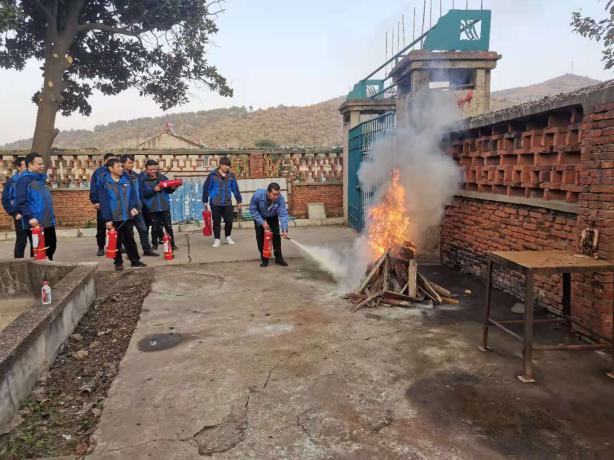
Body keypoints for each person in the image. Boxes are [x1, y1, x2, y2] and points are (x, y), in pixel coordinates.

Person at [98, 158, 147, 270]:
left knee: (130, 239)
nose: (121, 168)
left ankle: (135, 260)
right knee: (116, 241)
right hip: (114, 217)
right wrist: (107, 219)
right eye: (118, 167)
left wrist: (133, 207)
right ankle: (118, 262)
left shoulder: (126, 180)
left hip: (127, 216)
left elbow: (133, 196)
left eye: (121, 166)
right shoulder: (104, 182)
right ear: (111, 168)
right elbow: (104, 202)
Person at [15, 152, 57, 260]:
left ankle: (47, 268)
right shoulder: (24, 180)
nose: (42, 166)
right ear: (30, 165)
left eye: (42, 164)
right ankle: (38, 270)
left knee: (51, 246)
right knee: (39, 251)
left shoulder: (40, 179)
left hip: (48, 220)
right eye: (39, 164)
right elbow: (21, 202)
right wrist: (29, 217)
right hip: (36, 222)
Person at [120, 154, 158, 257]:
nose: (131, 165)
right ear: (123, 163)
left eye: (132, 163)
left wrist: (141, 203)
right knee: (128, 233)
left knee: (143, 229)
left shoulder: (136, 176)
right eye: (129, 163)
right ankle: (130, 253)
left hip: (137, 207)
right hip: (126, 209)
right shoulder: (120, 176)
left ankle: (147, 250)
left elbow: (141, 191)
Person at [202, 156, 243, 248]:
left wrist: (239, 200)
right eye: (225, 165)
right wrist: (205, 200)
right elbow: (206, 188)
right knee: (216, 222)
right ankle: (217, 240)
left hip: (227, 203)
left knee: (229, 221)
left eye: (228, 165)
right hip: (215, 203)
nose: (227, 167)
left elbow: (235, 189)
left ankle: (228, 237)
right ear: (220, 165)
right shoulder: (212, 175)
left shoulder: (231, 176)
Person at [139, 159, 178, 251]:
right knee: (155, 228)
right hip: (152, 208)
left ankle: (172, 244)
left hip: (164, 207)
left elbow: (169, 191)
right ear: (146, 169)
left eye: (154, 169)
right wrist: (154, 190)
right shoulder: (143, 180)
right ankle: (154, 244)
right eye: (150, 170)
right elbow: (142, 194)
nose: (153, 171)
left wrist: (173, 188)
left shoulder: (163, 178)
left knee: (168, 227)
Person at [248, 182, 289, 267]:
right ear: (268, 192)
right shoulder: (258, 195)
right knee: (261, 238)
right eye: (274, 194)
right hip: (260, 216)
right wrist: (262, 222)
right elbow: (252, 209)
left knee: (276, 237)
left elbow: (283, 214)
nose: (276, 197)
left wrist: (284, 229)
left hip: (272, 216)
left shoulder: (280, 198)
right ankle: (264, 259)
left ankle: (279, 258)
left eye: (278, 194)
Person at [2, 156, 33, 258]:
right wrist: (15, 213)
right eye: (25, 166)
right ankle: (18, 264)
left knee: (36, 242)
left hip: (34, 216)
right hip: (21, 217)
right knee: (21, 242)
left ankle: (37, 264)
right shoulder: (12, 182)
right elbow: (5, 200)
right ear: (19, 167)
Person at [90, 152, 116, 256]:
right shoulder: (98, 173)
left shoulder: (117, 171)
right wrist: (95, 200)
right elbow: (93, 187)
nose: (112, 162)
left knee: (116, 226)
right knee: (101, 227)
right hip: (102, 204)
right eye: (110, 160)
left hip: (115, 204)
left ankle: (117, 245)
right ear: (105, 161)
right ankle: (101, 247)